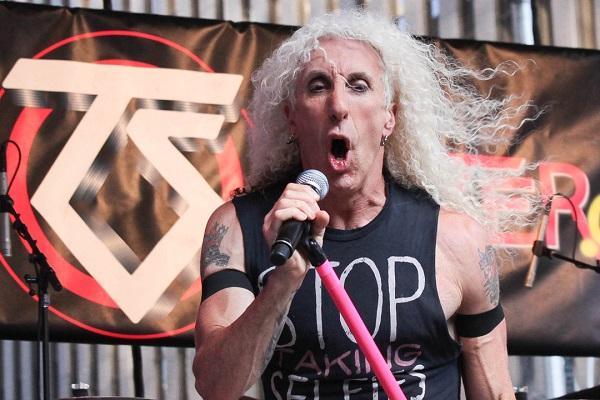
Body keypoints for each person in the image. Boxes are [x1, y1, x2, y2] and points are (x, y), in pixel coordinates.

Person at [193, 9, 538, 400]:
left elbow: (495, 392)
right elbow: (215, 386)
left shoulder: (456, 239)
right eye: (318, 86)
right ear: (291, 116)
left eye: (358, 86)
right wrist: (281, 285)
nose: (338, 105)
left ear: (390, 117)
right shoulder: (239, 229)